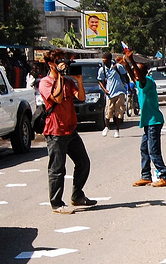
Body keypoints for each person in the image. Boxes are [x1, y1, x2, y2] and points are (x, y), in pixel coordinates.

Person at [38, 49, 97, 214]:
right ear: (51, 64)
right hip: (55, 131)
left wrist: (78, 80)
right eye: (58, 61)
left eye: (62, 60)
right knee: (57, 169)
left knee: (83, 162)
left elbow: (82, 97)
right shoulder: (45, 82)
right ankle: (56, 203)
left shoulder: (69, 82)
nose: (61, 63)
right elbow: (56, 98)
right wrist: (60, 76)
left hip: (71, 129)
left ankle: (77, 196)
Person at [122, 50, 166, 187]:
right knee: (144, 149)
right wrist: (125, 64)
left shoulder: (148, 82)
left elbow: (138, 76)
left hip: (153, 122)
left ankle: (165, 176)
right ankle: (146, 176)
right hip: (148, 122)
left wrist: (131, 60)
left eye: (136, 71)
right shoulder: (139, 82)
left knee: (153, 151)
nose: (135, 74)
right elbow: (134, 76)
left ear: (143, 73)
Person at [98, 52, 127, 138]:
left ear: (109, 59)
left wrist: (128, 87)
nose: (103, 60)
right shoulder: (102, 69)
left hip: (120, 92)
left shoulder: (118, 67)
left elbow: (125, 76)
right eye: (103, 59)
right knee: (108, 111)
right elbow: (100, 80)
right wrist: (104, 90)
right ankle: (107, 127)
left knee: (119, 112)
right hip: (110, 93)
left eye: (105, 59)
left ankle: (117, 130)